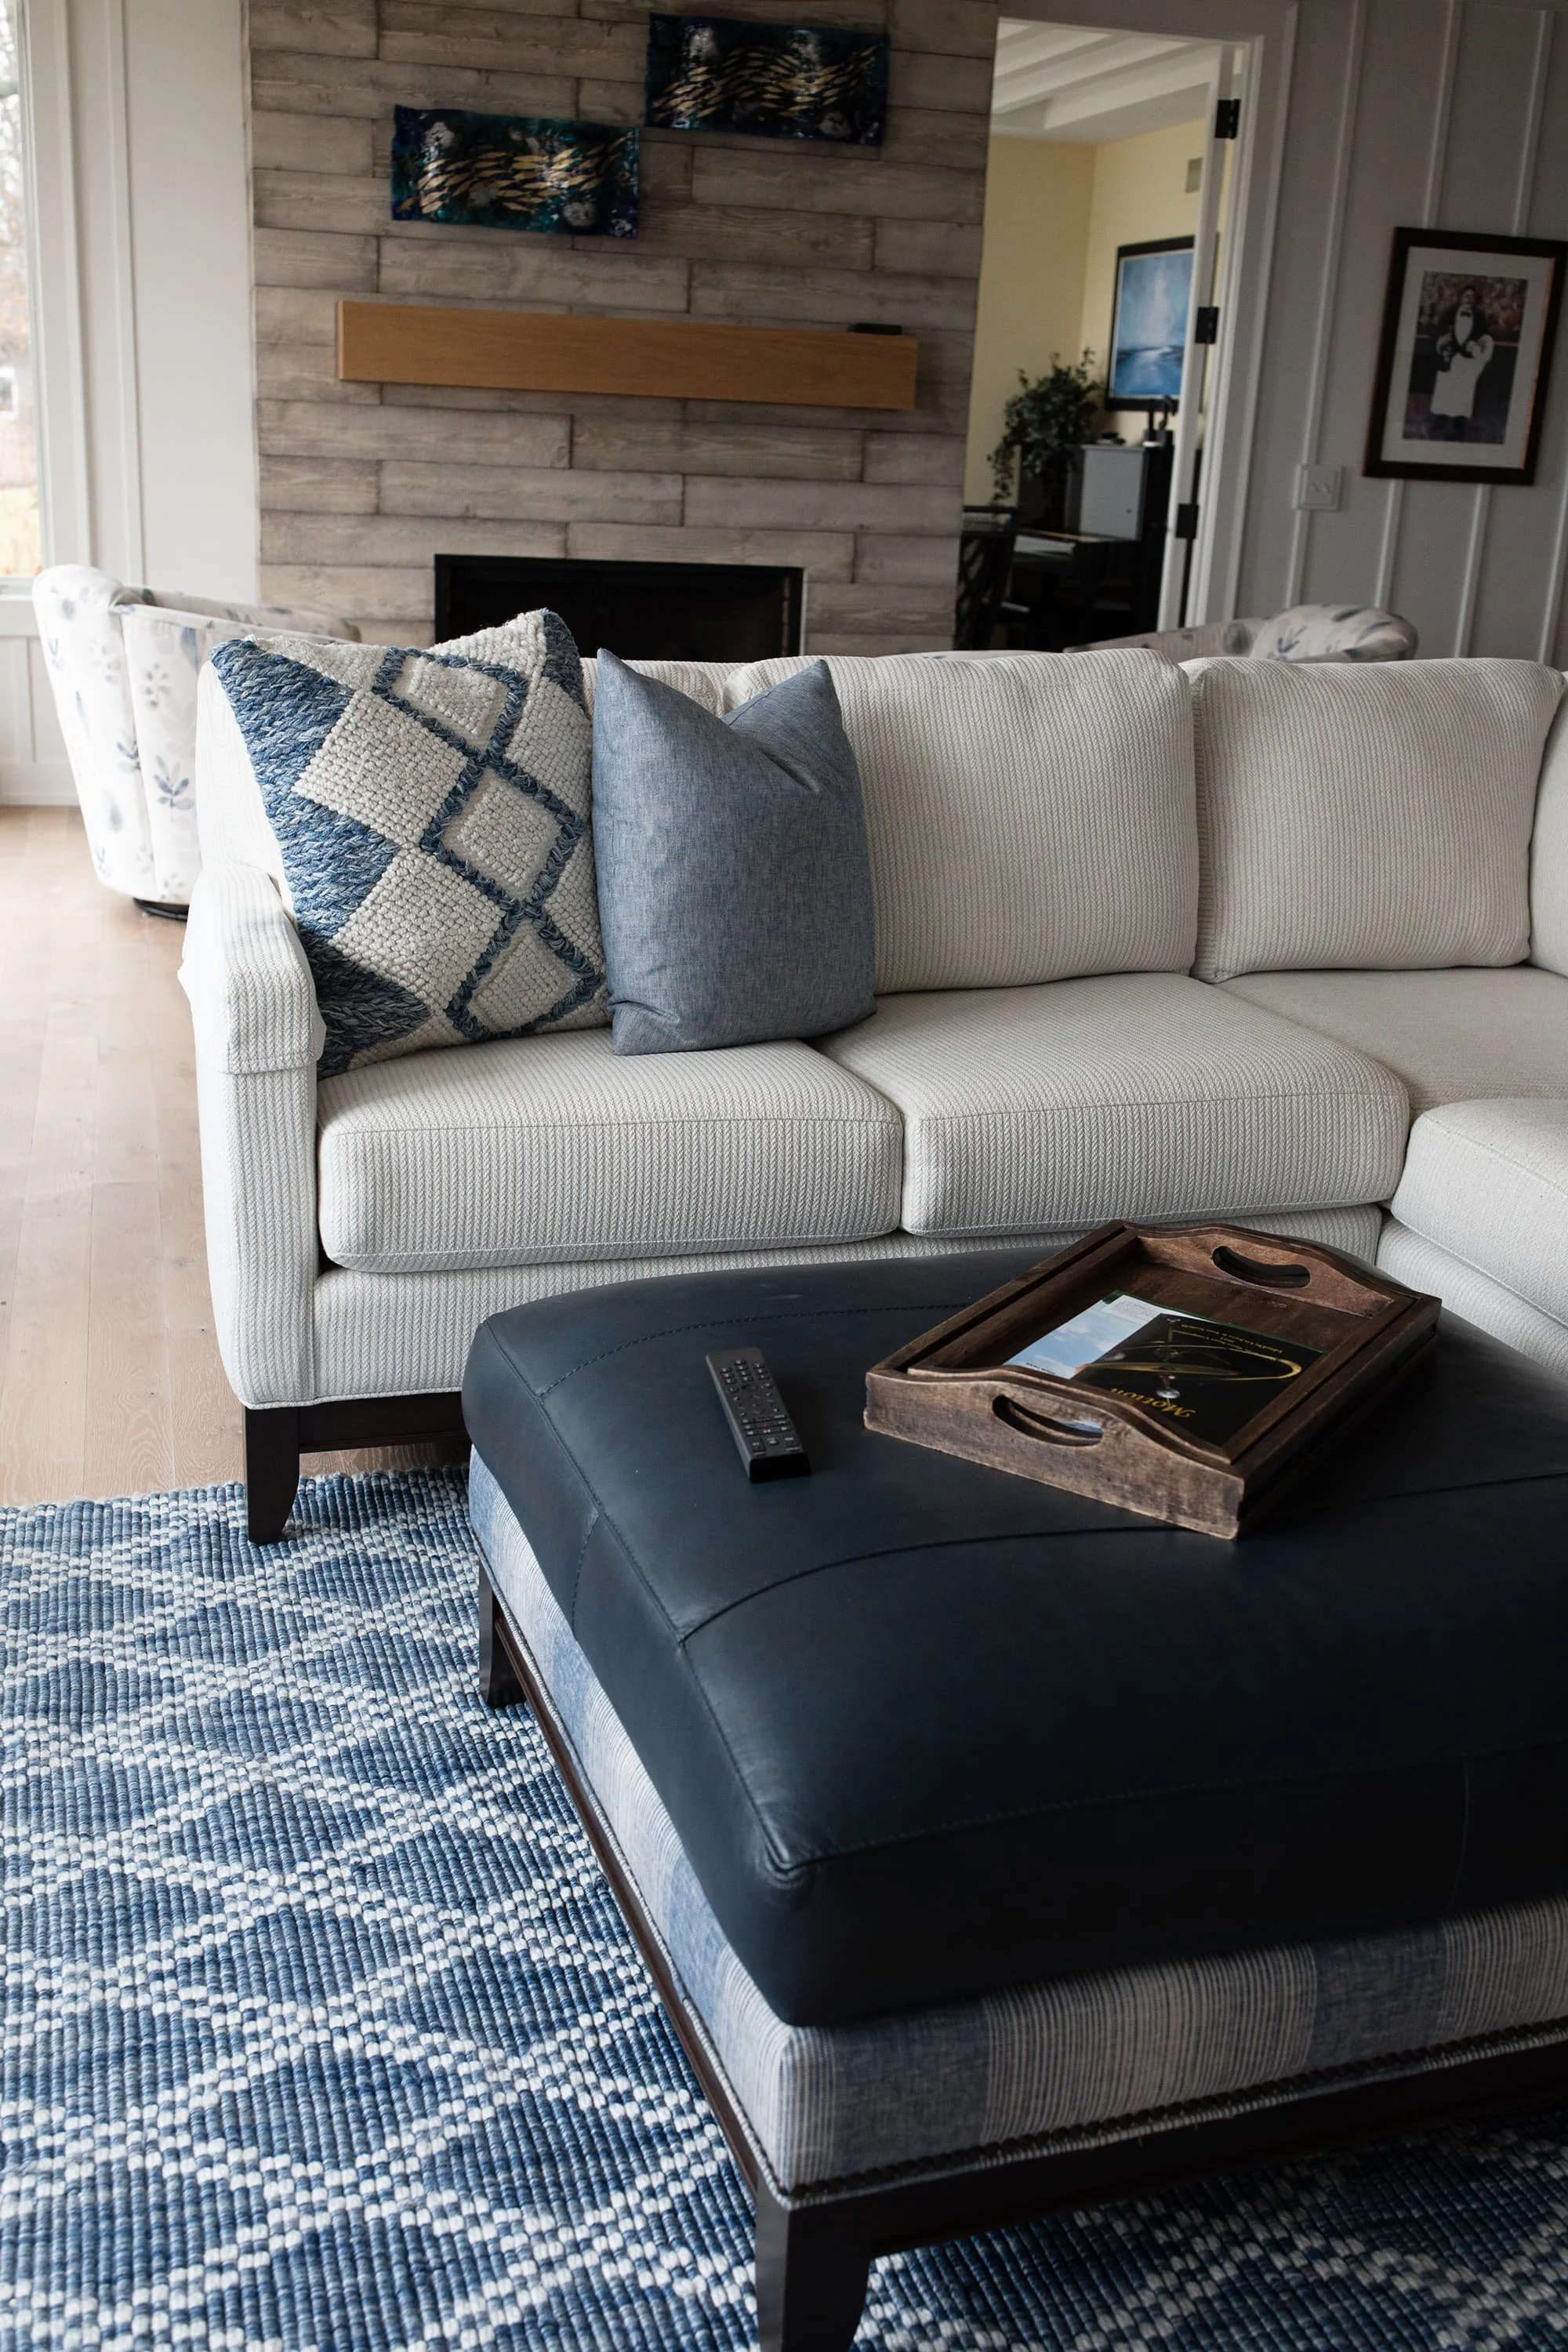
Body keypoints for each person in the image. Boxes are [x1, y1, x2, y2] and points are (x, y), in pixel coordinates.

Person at [1428, 288, 1496, 437]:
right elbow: (1437, 332)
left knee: (1464, 392)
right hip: (1449, 359)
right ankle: (1440, 420)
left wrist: (1478, 346)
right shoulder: (1448, 314)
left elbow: (1486, 337)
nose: (1468, 299)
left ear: (1475, 300)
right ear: (1461, 297)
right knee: (1444, 390)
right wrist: (1441, 341)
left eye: (1472, 296)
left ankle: (1460, 424)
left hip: (1467, 362)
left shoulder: (1479, 318)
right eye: (1466, 295)